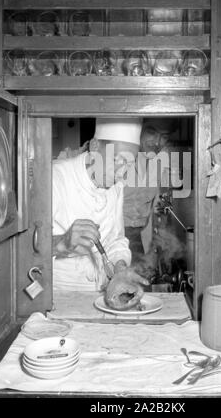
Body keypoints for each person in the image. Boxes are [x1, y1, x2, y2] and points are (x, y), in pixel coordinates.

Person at [52, 117, 149, 309]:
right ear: (95, 147)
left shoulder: (115, 186)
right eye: (118, 160)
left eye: (129, 165)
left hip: (103, 289)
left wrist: (120, 269)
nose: (122, 174)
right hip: (58, 294)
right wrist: (63, 242)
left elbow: (116, 240)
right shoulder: (56, 177)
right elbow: (25, 248)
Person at [123, 118, 178, 259]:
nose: (157, 142)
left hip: (136, 237)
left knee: (141, 276)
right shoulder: (117, 157)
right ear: (138, 129)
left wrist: (160, 240)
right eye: (151, 132)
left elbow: (160, 203)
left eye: (164, 136)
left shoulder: (161, 161)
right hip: (109, 235)